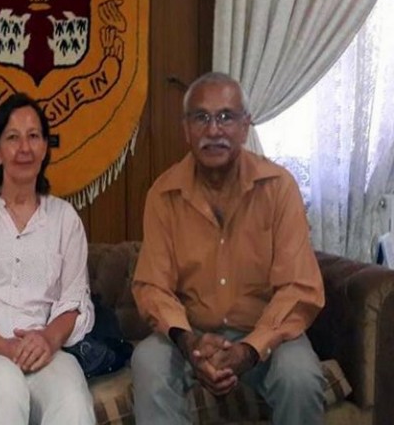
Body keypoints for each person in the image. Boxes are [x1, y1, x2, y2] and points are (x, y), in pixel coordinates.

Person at [130, 72, 326, 425]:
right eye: (201, 118)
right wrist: (189, 343)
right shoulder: (163, 194)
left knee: (301, 377)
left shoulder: (279, 187)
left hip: (266, 331)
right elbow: (152, 286)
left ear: (245, 126)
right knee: (148, 361)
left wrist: (250, 350)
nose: (213, 130)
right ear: (186, 129)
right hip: (192, 333)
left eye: (226, 117)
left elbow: (299, 287)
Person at [0, 93, 96, 424]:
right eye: (13, 137)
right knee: (4, 382)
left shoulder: (65, 219)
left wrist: (47, 340)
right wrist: (5, 348)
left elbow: (72, 302)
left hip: (42, 349)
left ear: (45, 148)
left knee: (71, 397)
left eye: (34, 136)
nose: (25, 148)